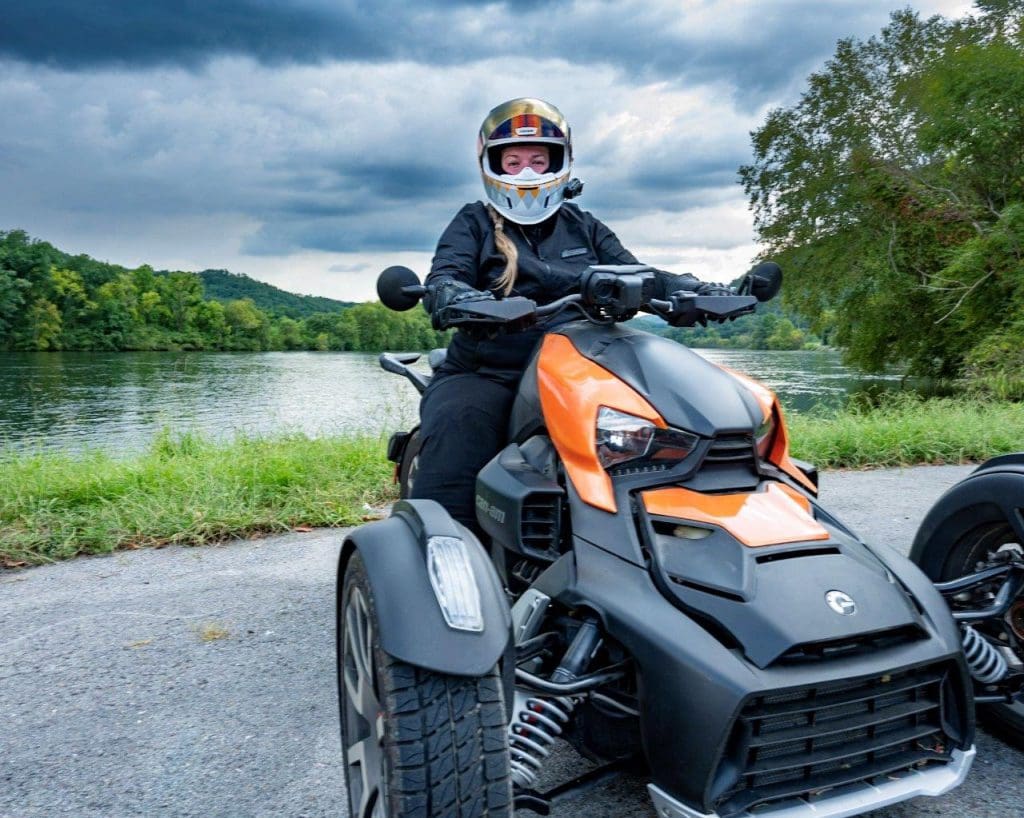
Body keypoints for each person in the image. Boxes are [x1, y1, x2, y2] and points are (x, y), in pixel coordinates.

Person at [411, 97, 720, 531]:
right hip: (491, 370)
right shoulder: (473, 223)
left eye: (539, 160)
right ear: (492, 166)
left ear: (561, 163)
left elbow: (639, 273)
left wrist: (697, 291)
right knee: (457, 436)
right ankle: (437, 555)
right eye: (514, 161)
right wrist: (458, 296)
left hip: (584, 369)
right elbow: (446, 274)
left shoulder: (583, 224)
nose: (528, 173)